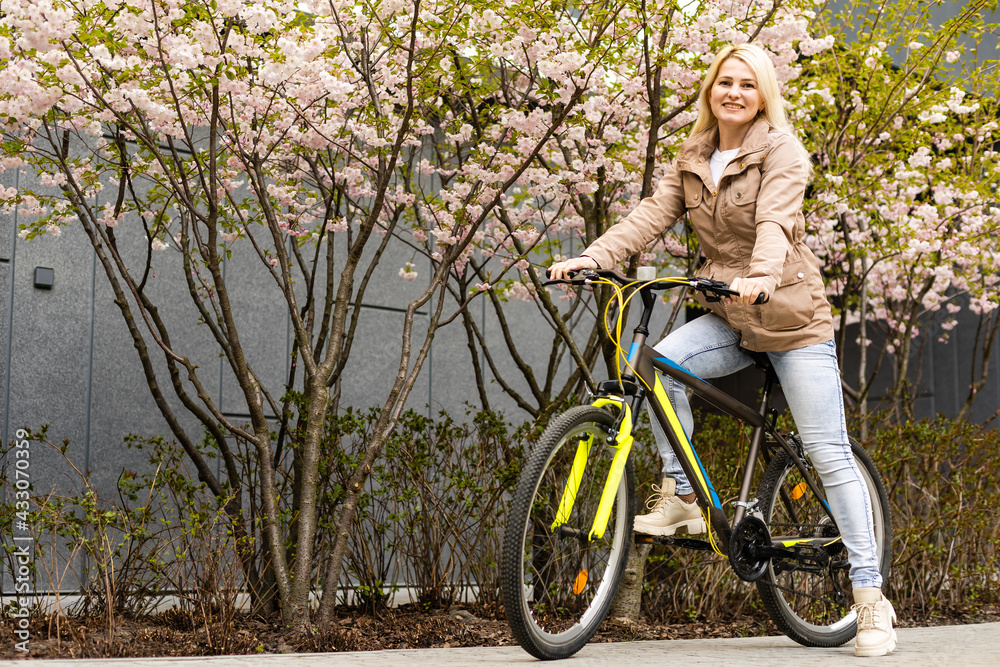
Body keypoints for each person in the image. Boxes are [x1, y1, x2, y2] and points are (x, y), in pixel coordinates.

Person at [548, 43, 897, 657]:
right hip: (729, 312)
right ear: (711, 90)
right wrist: (593, 257)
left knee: (826, 452)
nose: (733, 92)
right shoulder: (694, 155)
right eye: (724, 82)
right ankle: (681, 495)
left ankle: (869, 600)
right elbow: (650, 215)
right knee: (654, 367)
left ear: (763, 95)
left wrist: (761, 274)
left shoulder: (783, 151)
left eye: (747, 84)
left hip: (790, 317)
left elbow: (775, 223)